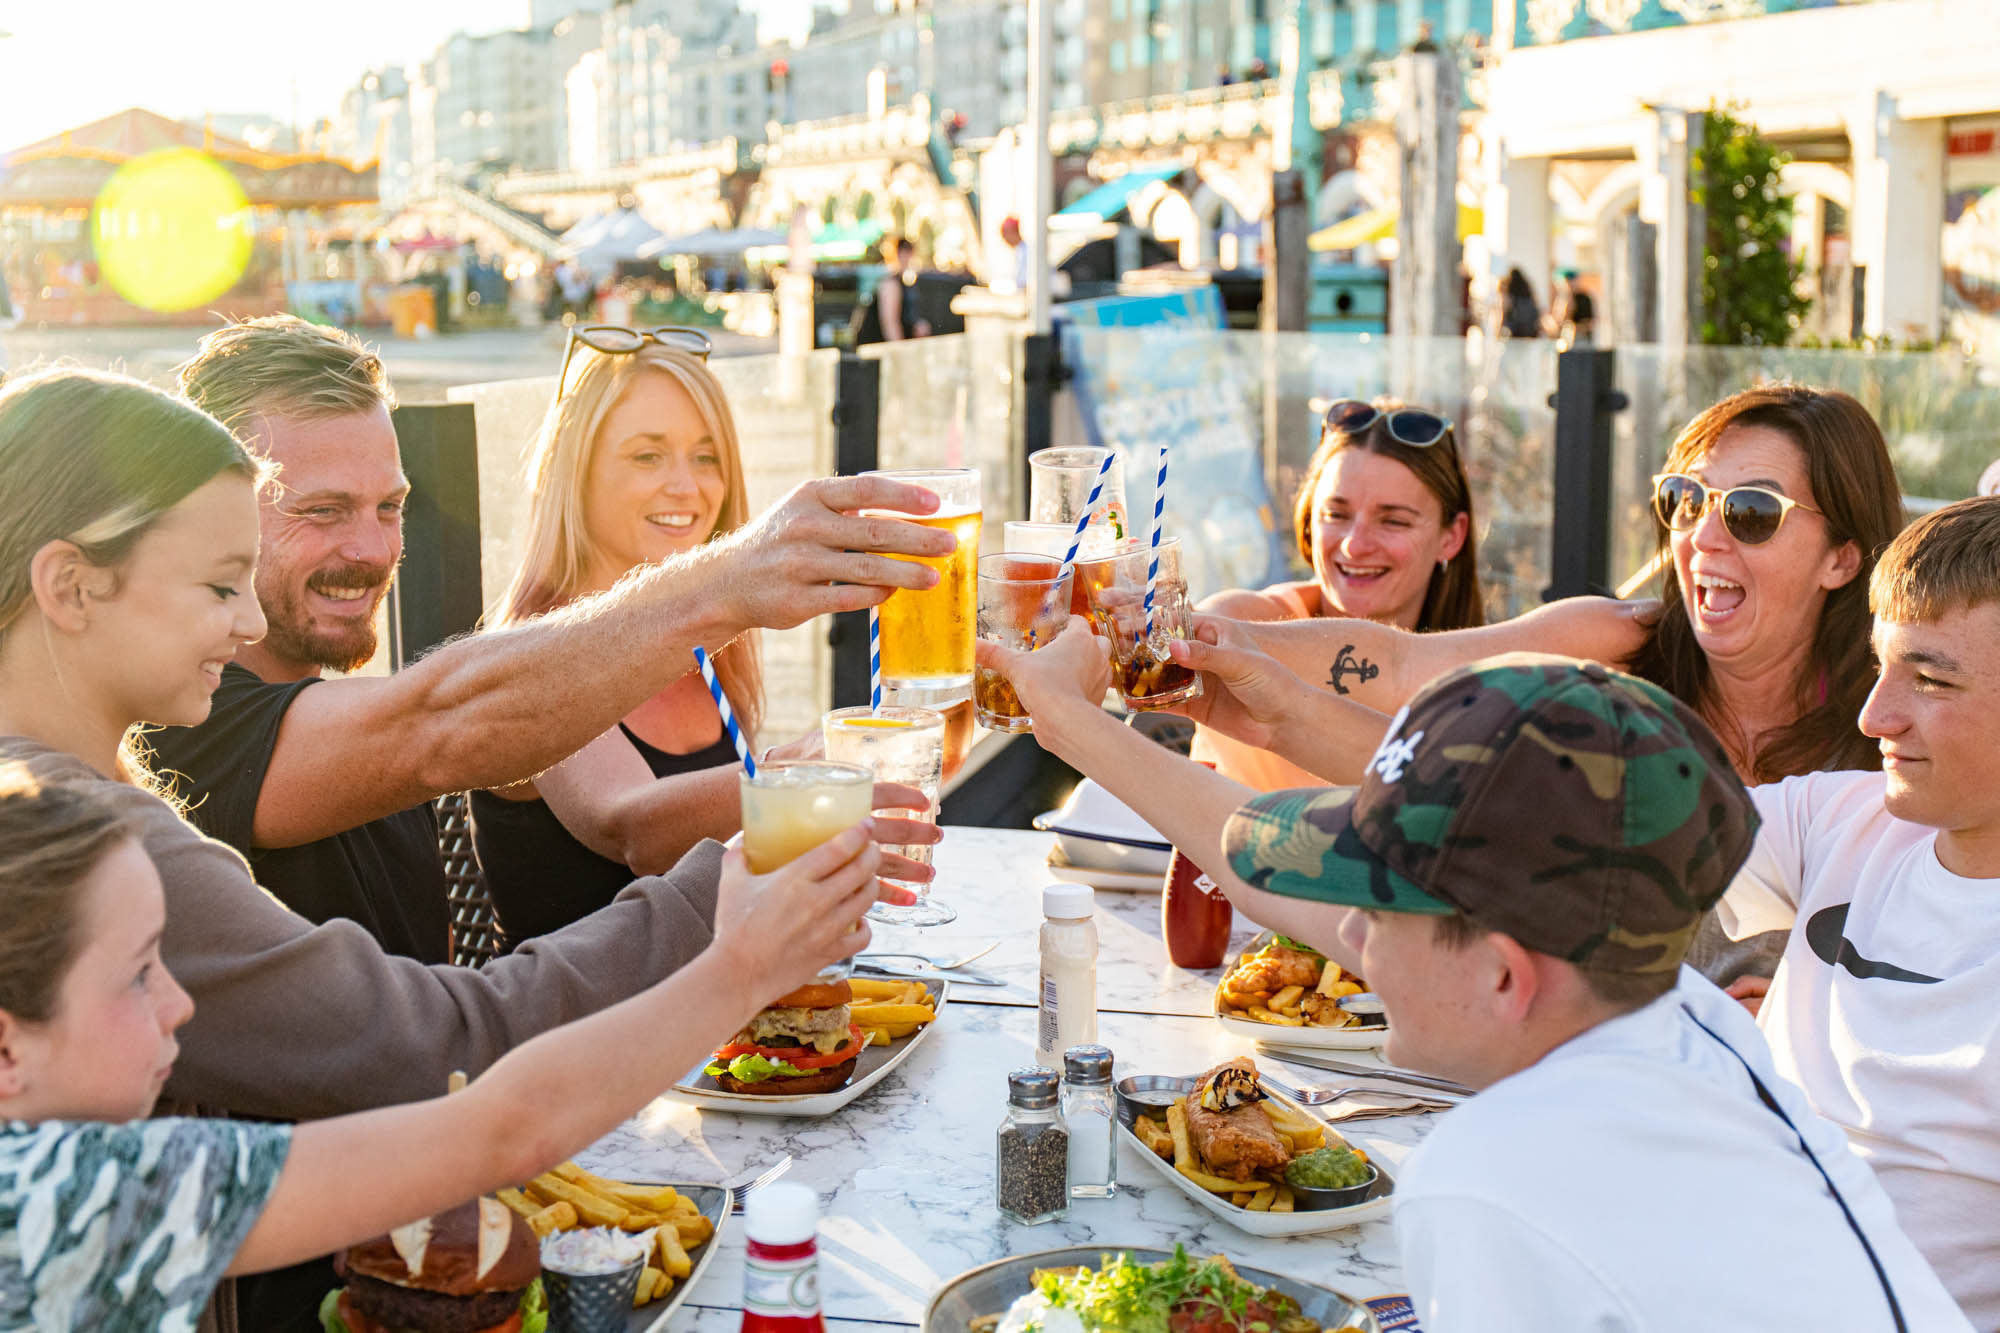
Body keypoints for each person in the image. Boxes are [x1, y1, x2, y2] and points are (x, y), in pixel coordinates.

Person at [0, 366, 931, 1332]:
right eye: (217, 583)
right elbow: (449, 1056)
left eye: (391, 507)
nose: (242, 621)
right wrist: (732, 909)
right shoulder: (87, 835)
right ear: (69, 585)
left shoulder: (108, 788)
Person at [974, 628, 1971, 1331]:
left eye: (1379, 905)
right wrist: (1067, 723)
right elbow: (1259, 859)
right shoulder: (1678, 1016)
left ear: (1503, 976)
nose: (1351, 933)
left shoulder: (1494, 1180)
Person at [153, 316, 942, 965]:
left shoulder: (358, 736)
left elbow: (453, 1014)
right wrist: (730, 581)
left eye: (391, 508)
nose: (372, 548)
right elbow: (454, 730)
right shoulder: (181, 733)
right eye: (320, 510)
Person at [0, 758, 886, 1329]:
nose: (179, 1003)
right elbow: (501, 1129)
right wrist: (738, 969)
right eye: (136, 973)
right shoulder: (69, 1197)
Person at [1176, 384, 1905, 987]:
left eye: (1749, 512)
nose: (1704, 538)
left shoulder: (1891, 730)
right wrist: (1222, 643)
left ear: (1843, 557)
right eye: (1688, 500)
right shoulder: (1623, 647)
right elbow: (1403, 672)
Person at [1711, 496, 2000, 1326]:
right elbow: (1549, 833)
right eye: (1880, 666)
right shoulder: (1849, 817)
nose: (1875, 716)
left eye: (1931, 678)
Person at [470, 328, 850, 941]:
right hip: (578, 1027)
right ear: (577, 469)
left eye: (707, 458)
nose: (687, 487)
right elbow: (635, 831)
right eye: (648, 456)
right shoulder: (535, 647)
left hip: (714, 1018)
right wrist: (807, 767)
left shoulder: (705, 643)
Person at [1193, 398, 1482, 790]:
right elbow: (1200, 629)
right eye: (1336, 515)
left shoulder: (1482, 677)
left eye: (1393, 521)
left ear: (1452, 537)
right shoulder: (1242, 619)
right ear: (1309, 519)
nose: (1354, 546)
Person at [852, 235, 925, 345]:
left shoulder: (901, 281)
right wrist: (900, 350)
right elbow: (889, 322)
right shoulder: (890, 283)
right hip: (878, 348)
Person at [1500, 267, 1541, 339]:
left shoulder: (1511, 298)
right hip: (1530, 333)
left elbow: (1507, 315)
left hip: (1516, 334)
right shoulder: (1529, 296)